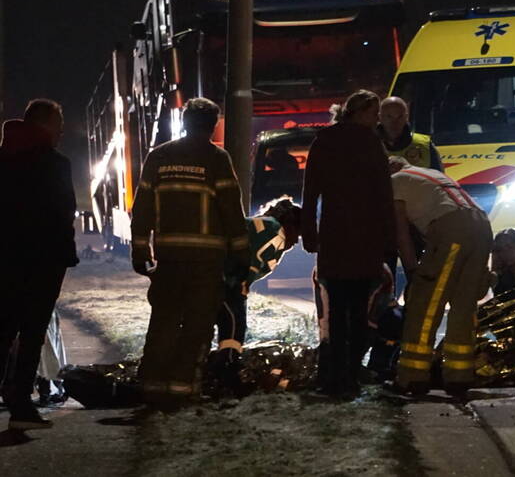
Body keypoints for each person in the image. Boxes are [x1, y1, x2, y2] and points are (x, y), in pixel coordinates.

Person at [130, 97, 248, 405]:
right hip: (206, 261)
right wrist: (240, 256)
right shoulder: (217, 159)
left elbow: (142, 206)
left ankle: (152, 388)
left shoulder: (159, 156)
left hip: (168, 258)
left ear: (184, 122)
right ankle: (183, 391)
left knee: (164, 322)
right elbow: (231, 211)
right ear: (212, 126)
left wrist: (141, 250)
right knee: (197, 324)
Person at [302, 89, 396, 399]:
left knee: (336, 312)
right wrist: (388, 239)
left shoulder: (325, 142)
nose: (377, 119)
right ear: (358, 112)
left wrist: (309, 232)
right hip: (364, 240)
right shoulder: (371, 144)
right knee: (358, 312)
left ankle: (335, 378)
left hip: (335, 238)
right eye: (373, 113)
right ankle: (350, 377)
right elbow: (384, 195)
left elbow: (310, 191)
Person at [0, 99, 77, 431]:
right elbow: (64, 212)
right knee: (32, 334)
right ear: (46, 125)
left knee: (2, 331)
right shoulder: (55, 164)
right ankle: (20, 405)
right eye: (58, 124)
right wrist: (64, 253)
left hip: (4, 259)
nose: (61, 131)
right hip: (42, 261)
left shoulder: (2, 159)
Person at [389, 156, 493, 397]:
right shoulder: (431, 175)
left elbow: (400, 232)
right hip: (482, 225)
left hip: (451, 229)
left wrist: (412, 270)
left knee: (426, 303)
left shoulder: (395, 181)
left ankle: (413, 377)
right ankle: (459, 376)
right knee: (464, 305)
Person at [212, 197, 301, 388]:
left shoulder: (266, 224)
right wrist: (242, 283)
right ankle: (226, 372)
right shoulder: (275, 232)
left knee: (224, 323)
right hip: (224, 278)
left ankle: (217, 368)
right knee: (234, 324)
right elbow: (255, 256)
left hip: (219, 274)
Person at [377, 96, 443, 170]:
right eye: (389, 116)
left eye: (400, 116)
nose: (395, 122)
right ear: (380, 117)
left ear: (406, 117)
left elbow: (439, 179)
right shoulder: (369, 146)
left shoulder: (425, 145)